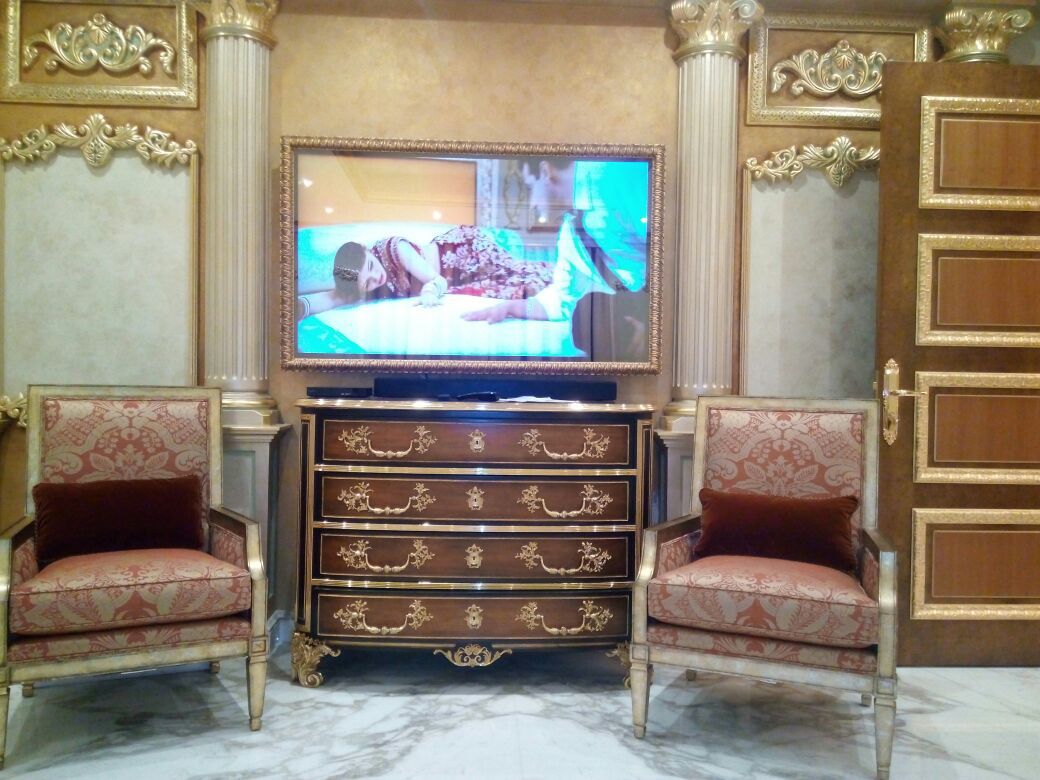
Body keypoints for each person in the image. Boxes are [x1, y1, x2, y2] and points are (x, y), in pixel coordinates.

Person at [460, 158, 649, 329]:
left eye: (530, 188)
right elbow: (561, 300)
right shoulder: (569, 232)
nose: (532, 204)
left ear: (545, 172)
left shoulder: (615, 172)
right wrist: (510, 307)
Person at [295, 225, 554, 319]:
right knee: (510, 290)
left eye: (372, 268)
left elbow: (436, 279)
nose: (377, 279)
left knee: (519, 278)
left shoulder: (394, 248)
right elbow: (333, 298)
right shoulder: (361, 282)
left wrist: (430, 292)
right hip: (454, 278)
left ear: (367, 250)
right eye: (368, 283)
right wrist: (296, 308)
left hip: (462, 253)